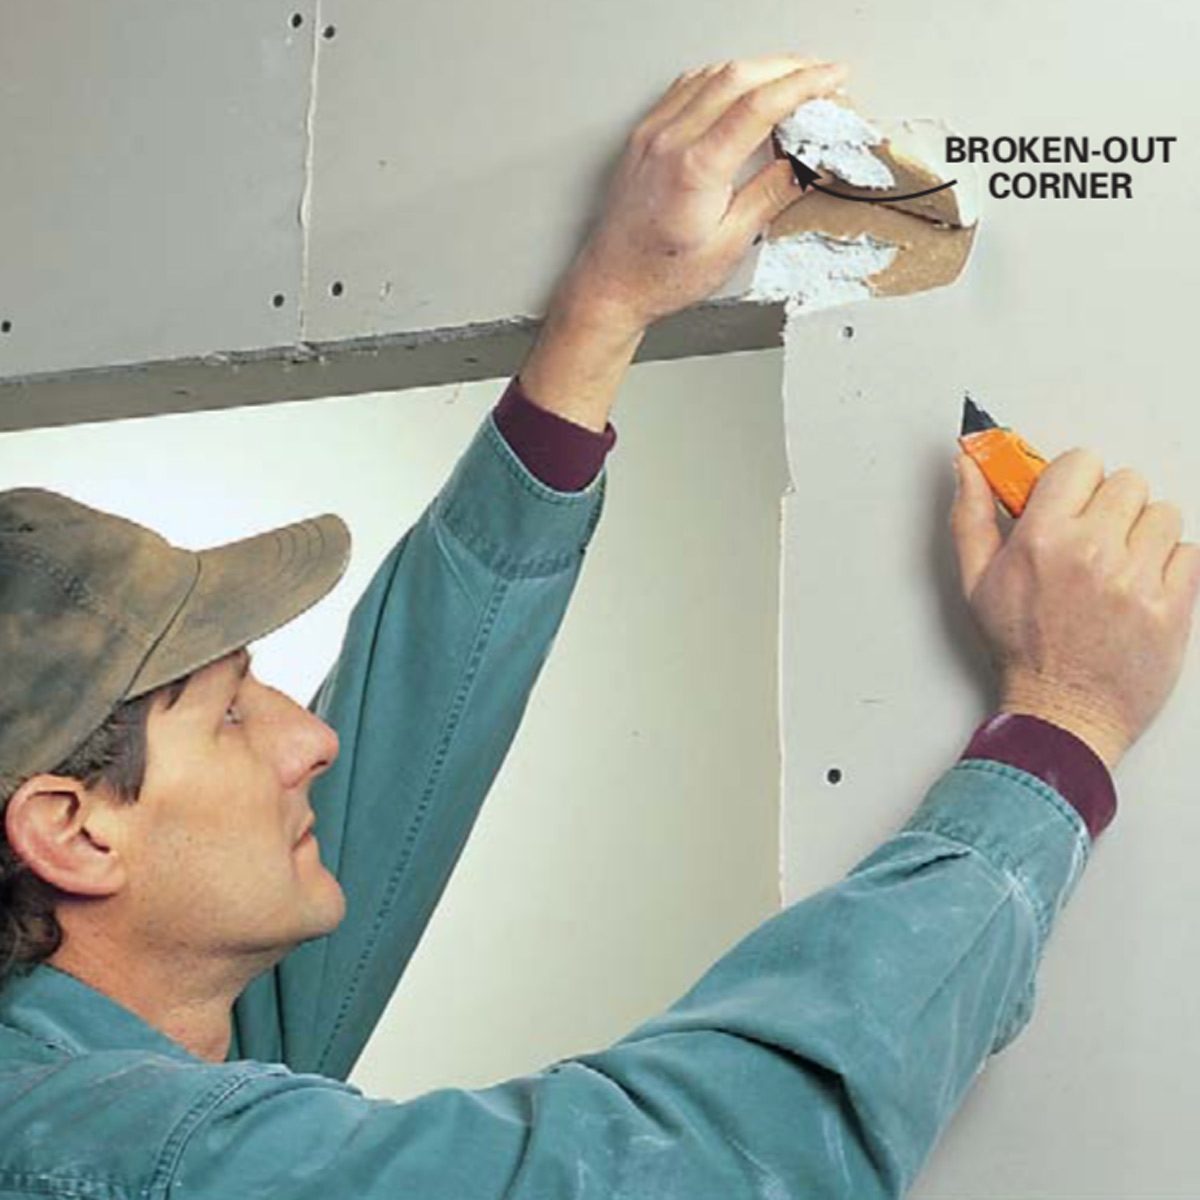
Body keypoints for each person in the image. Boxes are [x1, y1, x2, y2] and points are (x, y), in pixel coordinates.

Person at [1, 53, 1196, 1200]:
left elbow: (401, 753)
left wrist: (605, 312)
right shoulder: (95, 1148)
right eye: (223, 715)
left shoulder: (113, 1024)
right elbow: (697, 1173)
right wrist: (1063, 724)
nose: (307, 741)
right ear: (72, 830)